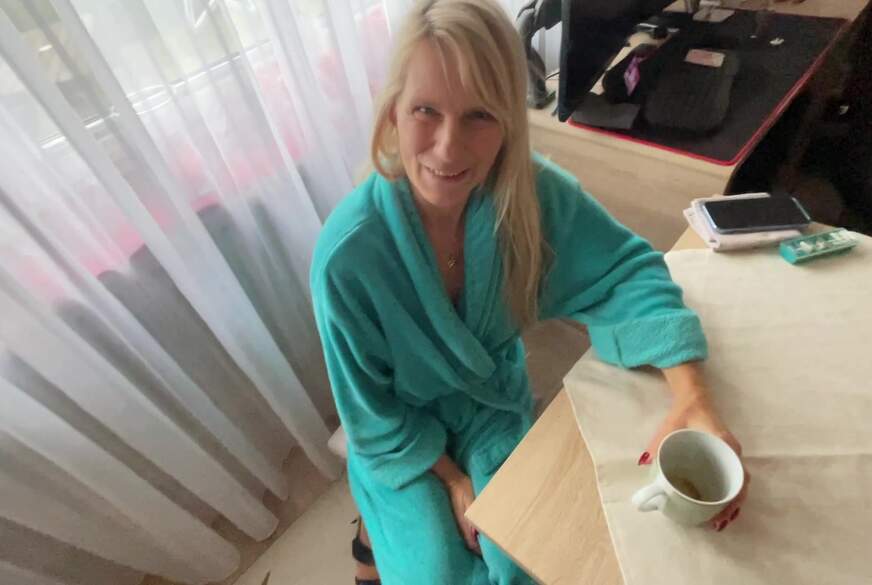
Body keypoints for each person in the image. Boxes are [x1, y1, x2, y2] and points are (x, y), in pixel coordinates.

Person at [310, 1, 750, 583]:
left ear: (509, 123)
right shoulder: (347, 258)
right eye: (425, 110)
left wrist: (692, 395)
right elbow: (371, 415)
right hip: (401, 440)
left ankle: (379, 540)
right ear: (393, 110)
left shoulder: (529, 195)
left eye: (479, 115)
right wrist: (455, 482)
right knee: (437, 574)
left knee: (524, 557)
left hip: (490, 409)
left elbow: (627, 274)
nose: (448, 147)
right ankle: (370, 542)